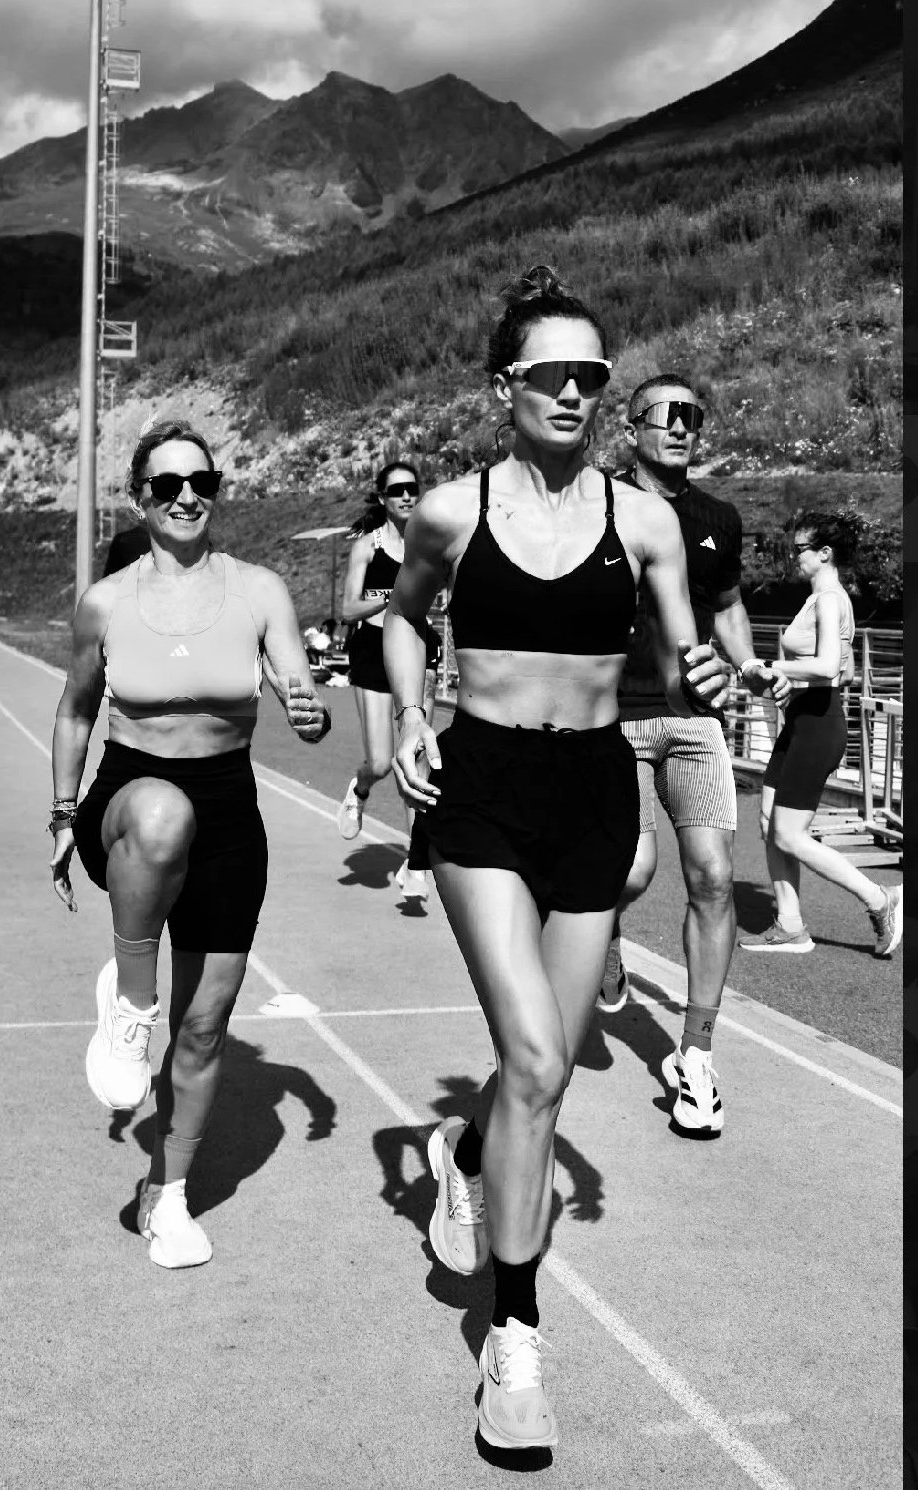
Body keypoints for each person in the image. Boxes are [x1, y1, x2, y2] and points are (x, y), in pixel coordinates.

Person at [386, 267, 729, 1452]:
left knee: (544, 1080)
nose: (579, 391)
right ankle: (515, 1339)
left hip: (593, 792)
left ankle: (465, 1150)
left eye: (595, 373)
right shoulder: (449, 510)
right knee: (533, 1052)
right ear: (506, 386)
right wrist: (406, 717)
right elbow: (397, 614)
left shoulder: (644, 522)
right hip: (480, 788)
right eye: (555, 373)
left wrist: (715, 676)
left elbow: (686, 657)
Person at [49, 422, 331, 1270]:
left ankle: (166, 1196)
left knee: (205, 1026)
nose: (185, 495)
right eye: (166, 483)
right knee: (164, 812)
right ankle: (132, 1002)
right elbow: (74, 711)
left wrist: (306, 705)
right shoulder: (106, 601)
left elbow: (295, 680)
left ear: (216, 489)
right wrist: (63, 816)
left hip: (229, 811)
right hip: (129, 804)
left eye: (200, 480)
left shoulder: (258, 591)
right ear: (140, 495)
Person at [592, 373, 786, 1137]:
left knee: (713, 878)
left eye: (692, 416)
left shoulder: (717, 517)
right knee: (632, 871)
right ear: (632, 425)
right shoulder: (598, 503)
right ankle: (599, 936)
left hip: (697, 721)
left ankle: (696, 1057)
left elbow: (729, 603)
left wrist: (749, 666)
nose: (680, 427)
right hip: (615, 720)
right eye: (665, 415)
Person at [739, 509, 902, 957]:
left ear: (824, 553)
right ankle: (789, 925)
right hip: (803, 718)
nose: (794, 558)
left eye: (799, 551)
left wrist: (768, 667)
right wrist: (791, 680)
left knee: (790, 834)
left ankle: (880, 898)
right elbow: (843, 670)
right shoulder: (823, 599)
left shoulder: (829, 599)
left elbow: (829, 665)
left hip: (818, 725)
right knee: (770, 822)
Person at [336, 461, 443, 906]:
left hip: (419, 651)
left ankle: (417, 865)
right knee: (381, 763)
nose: (405, 496)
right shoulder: (368, 545)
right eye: (395, 490)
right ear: (382, 498)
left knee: (418, 762)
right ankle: (359, 790)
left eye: (411, 488)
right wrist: (391, 599)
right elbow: (348, 608)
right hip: (372, 655)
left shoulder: (432, 542)